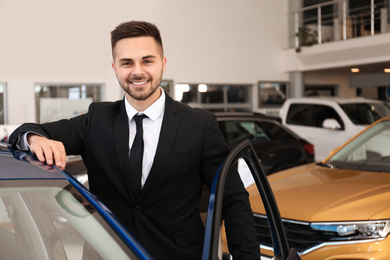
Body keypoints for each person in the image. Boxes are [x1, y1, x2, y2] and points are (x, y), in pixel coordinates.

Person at [9, 21, 259, 259]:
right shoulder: (96, 119)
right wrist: (34, 139)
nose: (137, 71)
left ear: (163, 63)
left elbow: (233, 201)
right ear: (115, 67)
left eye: (147, 61)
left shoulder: (200, 125)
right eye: (126, 62)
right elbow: (27, 130)